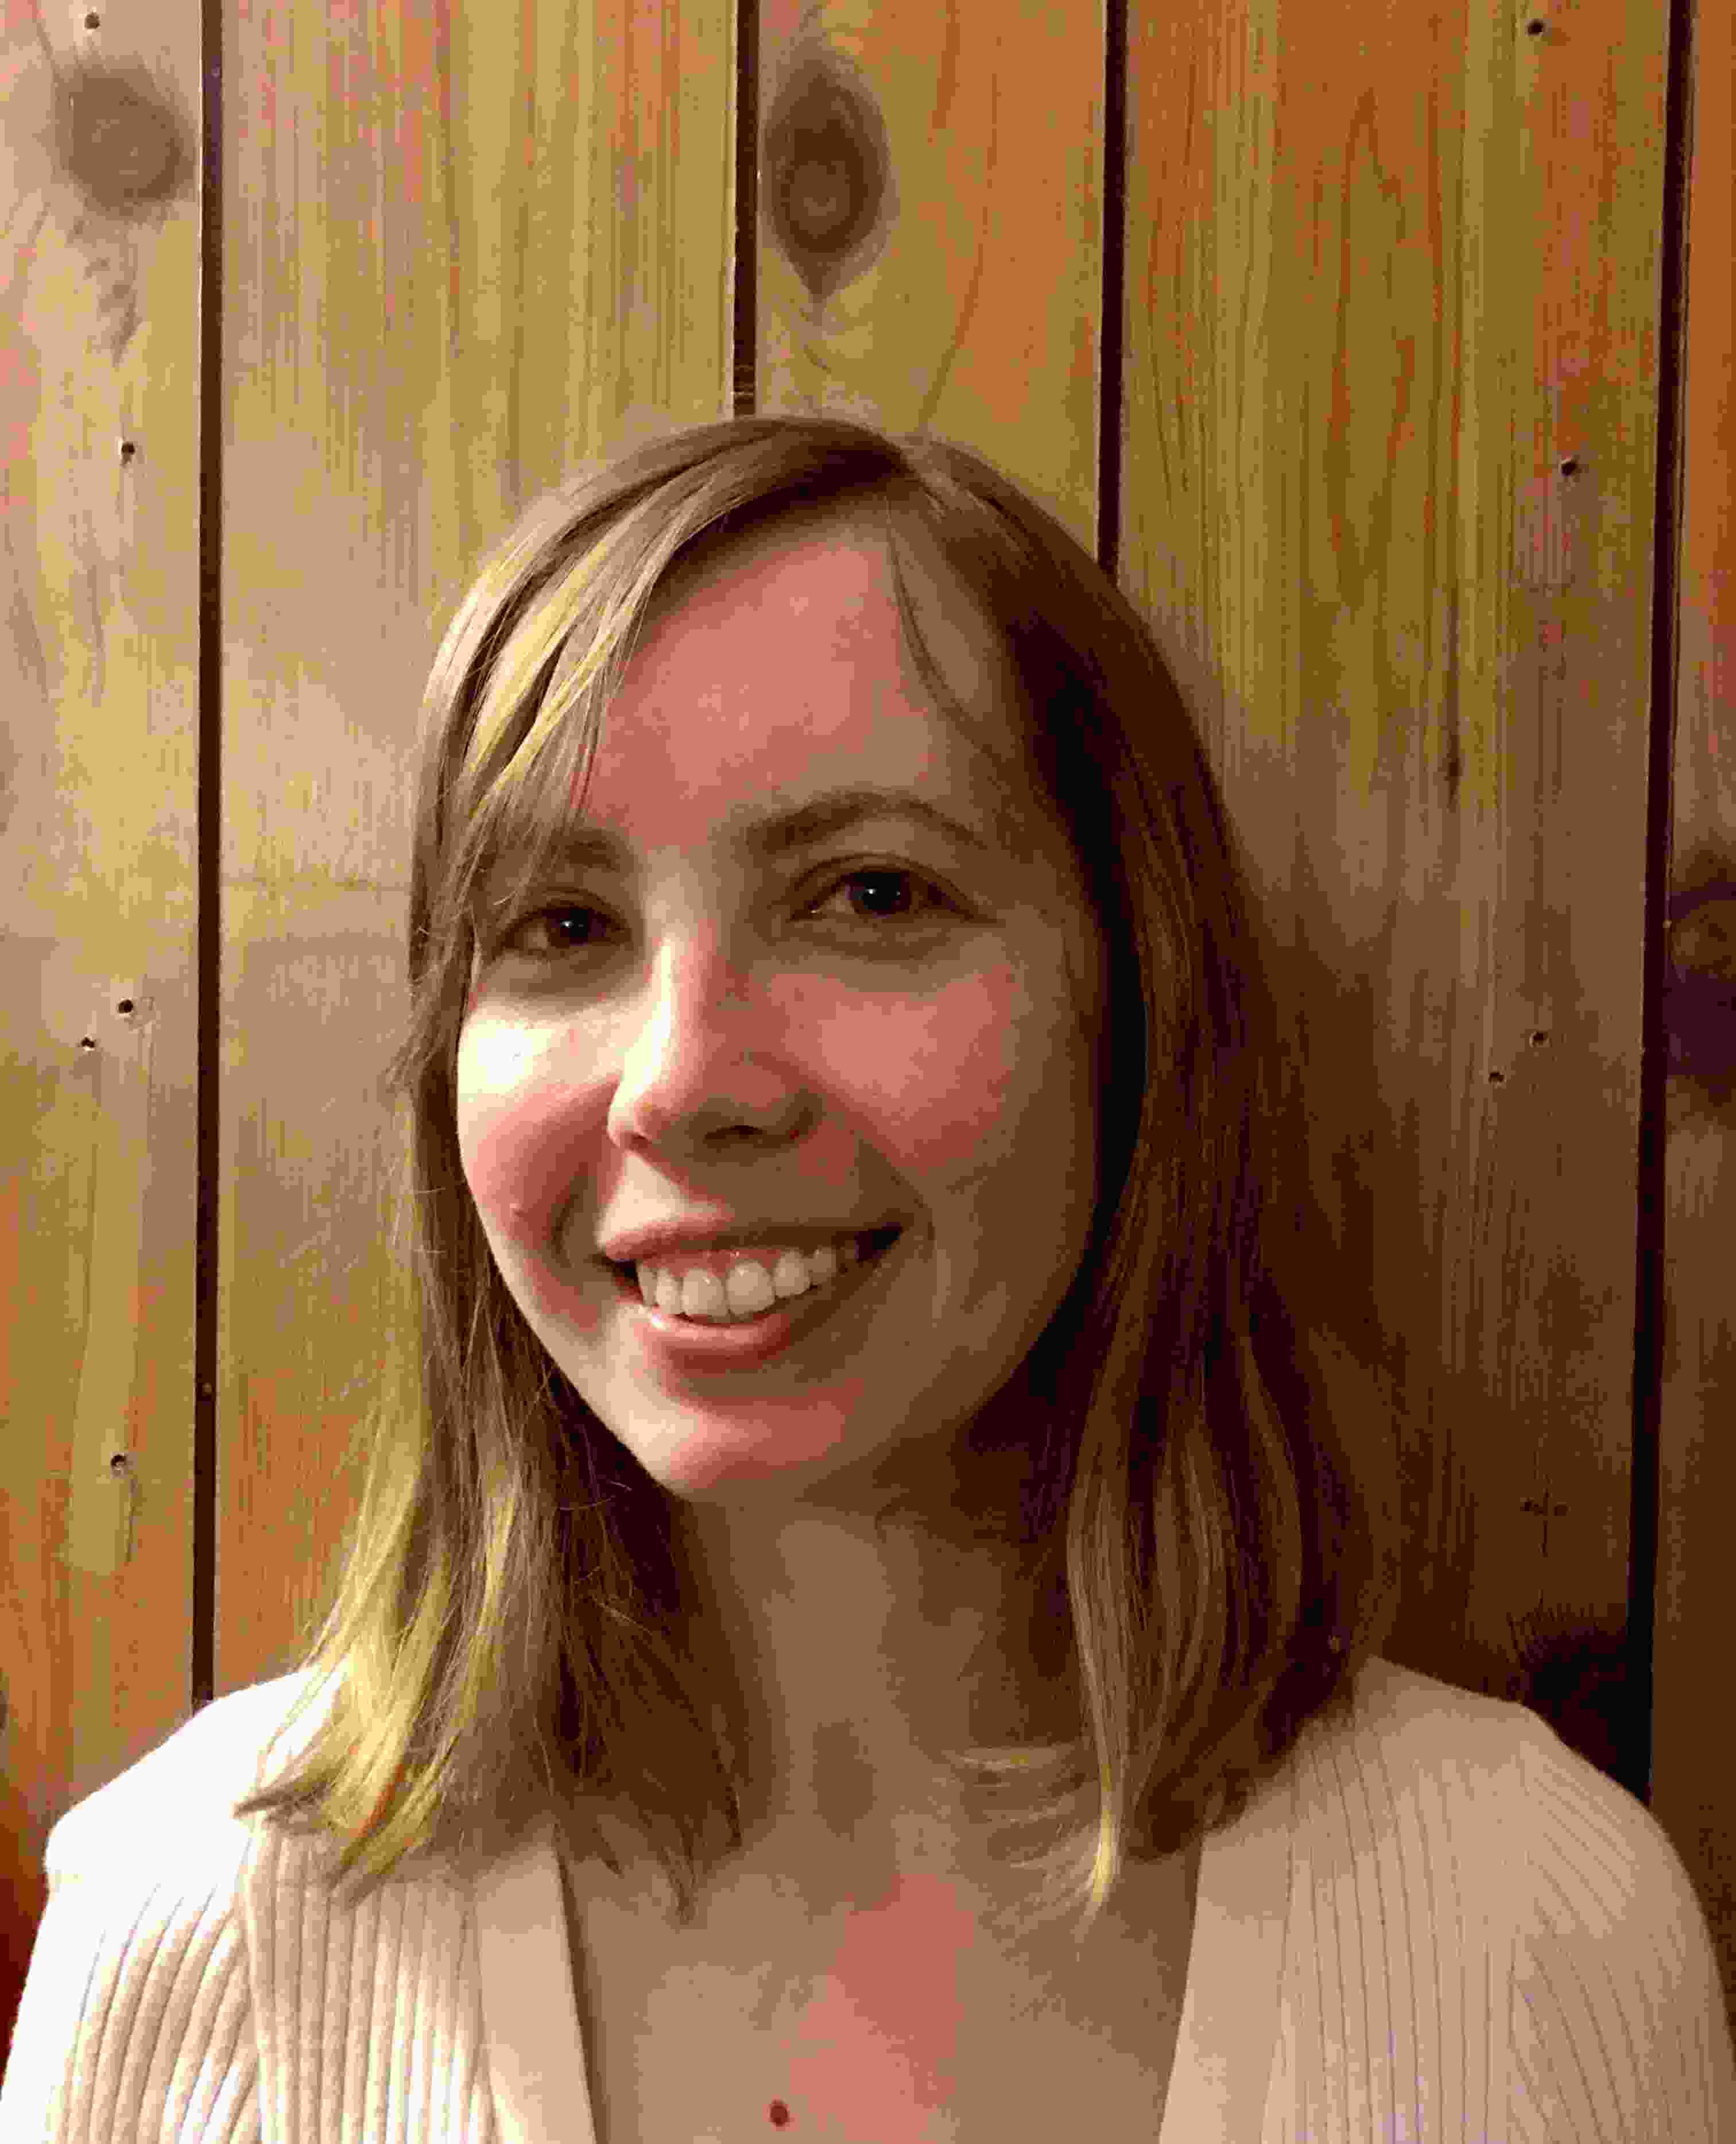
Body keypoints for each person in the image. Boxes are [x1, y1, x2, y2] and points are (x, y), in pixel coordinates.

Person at [4, 414, 1731, 2142]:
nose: (685, 1080)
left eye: (873, 895)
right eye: (561, 926)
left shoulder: (1524, 1931)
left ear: (1134, 1001)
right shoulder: (201, 1931)